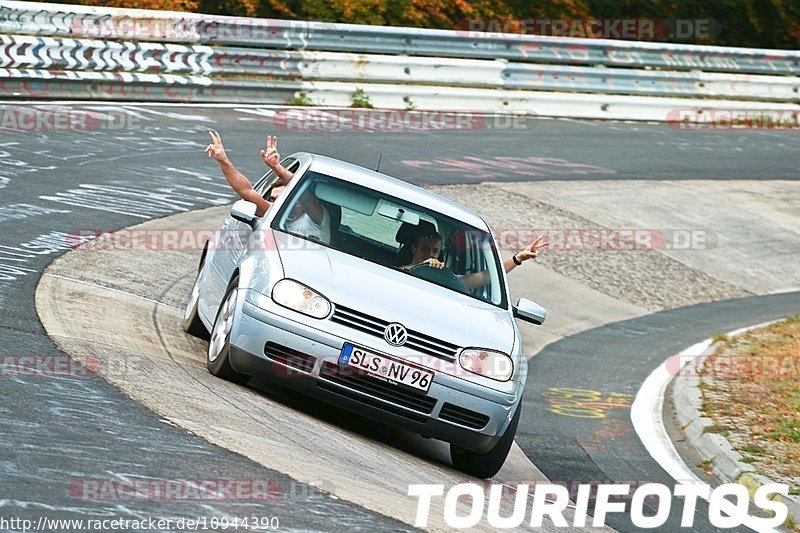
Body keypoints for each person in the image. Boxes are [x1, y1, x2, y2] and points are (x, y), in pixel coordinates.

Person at [205, 131, 330, 242]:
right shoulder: (275, 212)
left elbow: (301, 190)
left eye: (283, 199)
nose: (277, 203)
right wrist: (223, 161)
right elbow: (246, 191)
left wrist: (277, 167)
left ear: (298, 200)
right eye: (273, 199)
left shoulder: (317, 219)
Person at [401, 231, 548, 290]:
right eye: (425, 249)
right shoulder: (397, 269)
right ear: (414, 249)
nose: (430, 255)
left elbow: (486, 277)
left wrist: (517, 258)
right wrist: (418, 267)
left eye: (435, 251)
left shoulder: (449, 280)